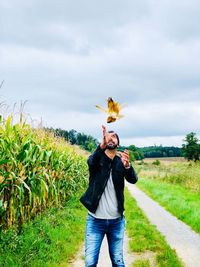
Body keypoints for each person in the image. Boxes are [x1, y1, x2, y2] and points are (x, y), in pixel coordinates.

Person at [80, 125, 138, 267]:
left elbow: (133, 180)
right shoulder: (97, 161)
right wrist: (102, 145)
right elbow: (91, 161)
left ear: (118, 143)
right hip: (95, 221)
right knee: (90, 262)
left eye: (114, 137)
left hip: (116, 222)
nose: (111, 138)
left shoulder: (121, 162)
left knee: (118, 262)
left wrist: (127, 167)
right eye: (108, 136)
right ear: (105, 141)